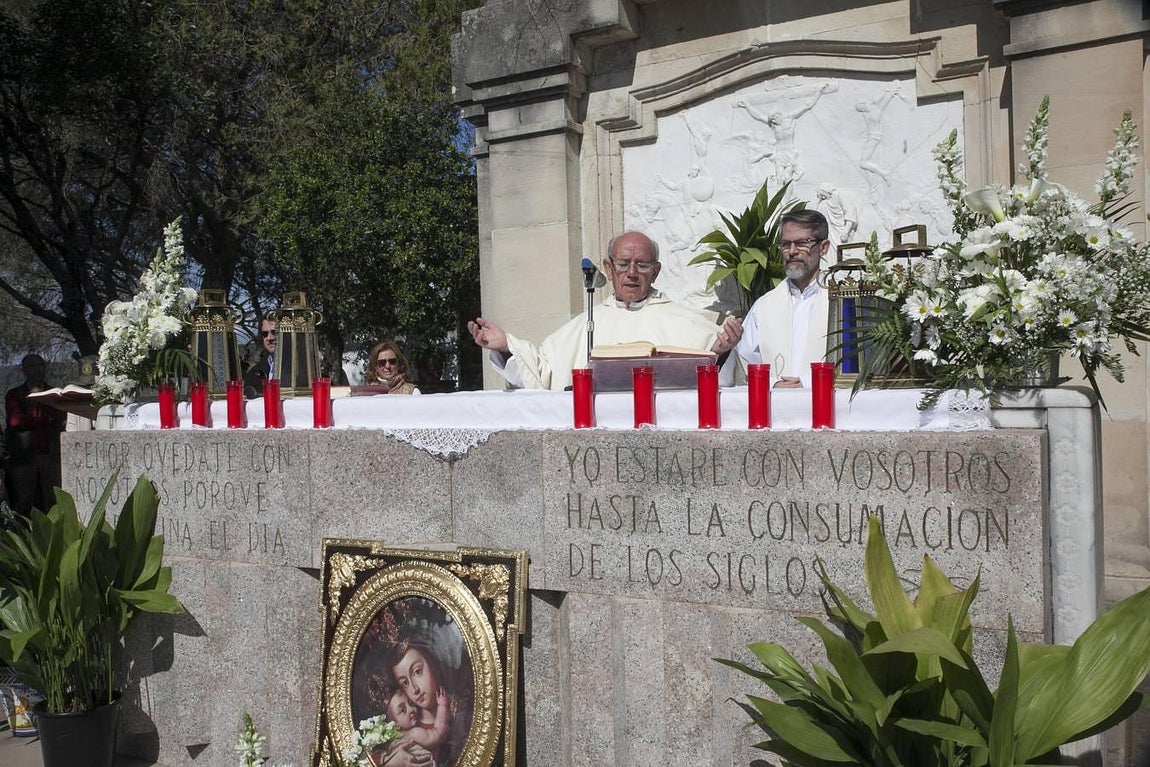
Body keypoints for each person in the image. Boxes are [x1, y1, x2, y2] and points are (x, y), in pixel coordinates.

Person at [468, 231, 743, 390]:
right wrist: (506, 347)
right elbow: (542, 373)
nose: (632, 273)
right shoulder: (585, 324)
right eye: (623, 264)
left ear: (656, 272)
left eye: (643, 265)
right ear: (609, 268)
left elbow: (716, 378)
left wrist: (722, 351)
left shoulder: (687, 322)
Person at [736, 209, 831, 388]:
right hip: (776, 408)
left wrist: (809, 382)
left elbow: (858, 366)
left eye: (802, 243)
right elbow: (745, 365)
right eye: (786, 244)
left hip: (829, 407)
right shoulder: (764, 306)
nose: (792, 251)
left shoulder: (842, 302)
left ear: (823, 247)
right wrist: (774, 384)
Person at [5, 354, 65, 515]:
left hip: (49, 455)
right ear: (24, 369)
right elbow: (15, 421)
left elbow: (59, 418)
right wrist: (45, 420)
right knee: (25, 500)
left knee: (52, 498)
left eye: (40, 365)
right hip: (24, 457)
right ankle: (23, 536)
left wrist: (34, 420)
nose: (37, 370)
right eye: (31, 366)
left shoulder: (54, 393)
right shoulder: (15, 395)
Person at [383, 681, 450, 758]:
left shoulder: (396, 739)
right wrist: (442, 706)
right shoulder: (414, 733)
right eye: (403, 710)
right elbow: (438, 735)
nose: (411, 709)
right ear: (395, 724)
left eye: (410, 703)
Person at [242, 316, 276, 397]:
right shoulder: (256, 371)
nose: (269, 338)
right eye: (265, 334)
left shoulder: (300, 366)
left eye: (274, 332)